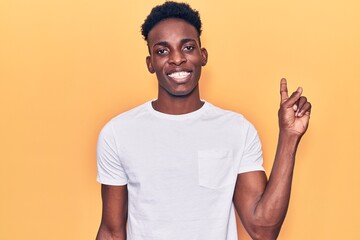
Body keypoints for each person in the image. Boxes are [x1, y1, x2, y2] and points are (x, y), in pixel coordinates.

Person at [95, 2, 312, 240]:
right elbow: (112, 232)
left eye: (187, 47)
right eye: (162, 51)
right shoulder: (119, 133)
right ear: (150, 63)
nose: (177, 59)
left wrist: (288, 137)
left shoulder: (237, 130)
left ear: (203, 55)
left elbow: (263, 229)